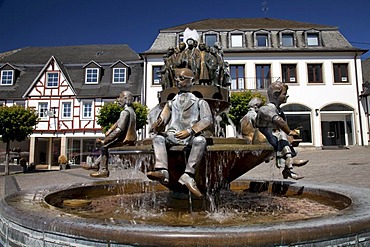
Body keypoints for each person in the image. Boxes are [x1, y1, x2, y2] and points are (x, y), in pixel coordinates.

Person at [147, 68, 213, 198]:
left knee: (201, 141)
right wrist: (157, 125)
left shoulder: (200, 102)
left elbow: (208, 119)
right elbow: (163, 119)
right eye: (176, 78)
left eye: (182, 78)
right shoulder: (171, 103)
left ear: (191, 81)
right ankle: (163, 171)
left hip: (190, 137)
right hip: (173, 135)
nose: (177, 81)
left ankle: (188, 175)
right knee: (158, 138)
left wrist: (190, 131)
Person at [256, 81, 308, 180]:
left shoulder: (279, 110)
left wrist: (289, 134)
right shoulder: (265, 109)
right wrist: (289, 131)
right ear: (276, 95)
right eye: (284, 94)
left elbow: (282, 126)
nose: (287, 96)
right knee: (281, 135)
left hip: (272, 136)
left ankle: (288, 166)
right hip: (262, 136)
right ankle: (289, 160)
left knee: (281, 135)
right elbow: (279, 122)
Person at [81, 91, 137, 178]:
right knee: (106, 147)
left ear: (125, 99)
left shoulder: (125, 112)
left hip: (124, 141)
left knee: (105, 147)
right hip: (130, 140)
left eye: (120, 97)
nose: (118, 100)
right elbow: (118, 122)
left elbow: (119, 129)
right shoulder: (131, 111)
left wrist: (106, 140)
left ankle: (103, 170)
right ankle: (95, 165)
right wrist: (110, 130)